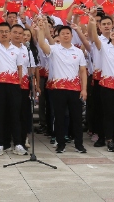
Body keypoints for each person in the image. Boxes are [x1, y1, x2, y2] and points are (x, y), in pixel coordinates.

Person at [34, 20, 88, 154]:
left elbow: (82, 71)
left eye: (67, 33)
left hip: (75, 89)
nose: (65, 35)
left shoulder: (78, 52)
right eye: (62, 33)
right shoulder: (54, 49)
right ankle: (60, 144)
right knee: (59, 117)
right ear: (58, 36)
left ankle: (79, 144)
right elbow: (42, 44)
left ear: (71, 35)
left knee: (76, 118)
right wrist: (41, 30)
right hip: (58, 89)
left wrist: (84, 89)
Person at [81, 17, 114, 153]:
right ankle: (109, 140)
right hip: (107, 85)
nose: (113, 32)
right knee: (108, 113)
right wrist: (92, 24)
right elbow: (94, 38)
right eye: (112, 30)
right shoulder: (104, 47)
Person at [0, 4, 25, 156]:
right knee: (0, 114)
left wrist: (19, 82)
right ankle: (0, 144)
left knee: (15, 114)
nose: (4, 34)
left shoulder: (17, 50)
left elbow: (20, 68)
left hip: (14, 85)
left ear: (10, 33)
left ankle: (18, 143)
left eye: (6, 31)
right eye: (1, 31)